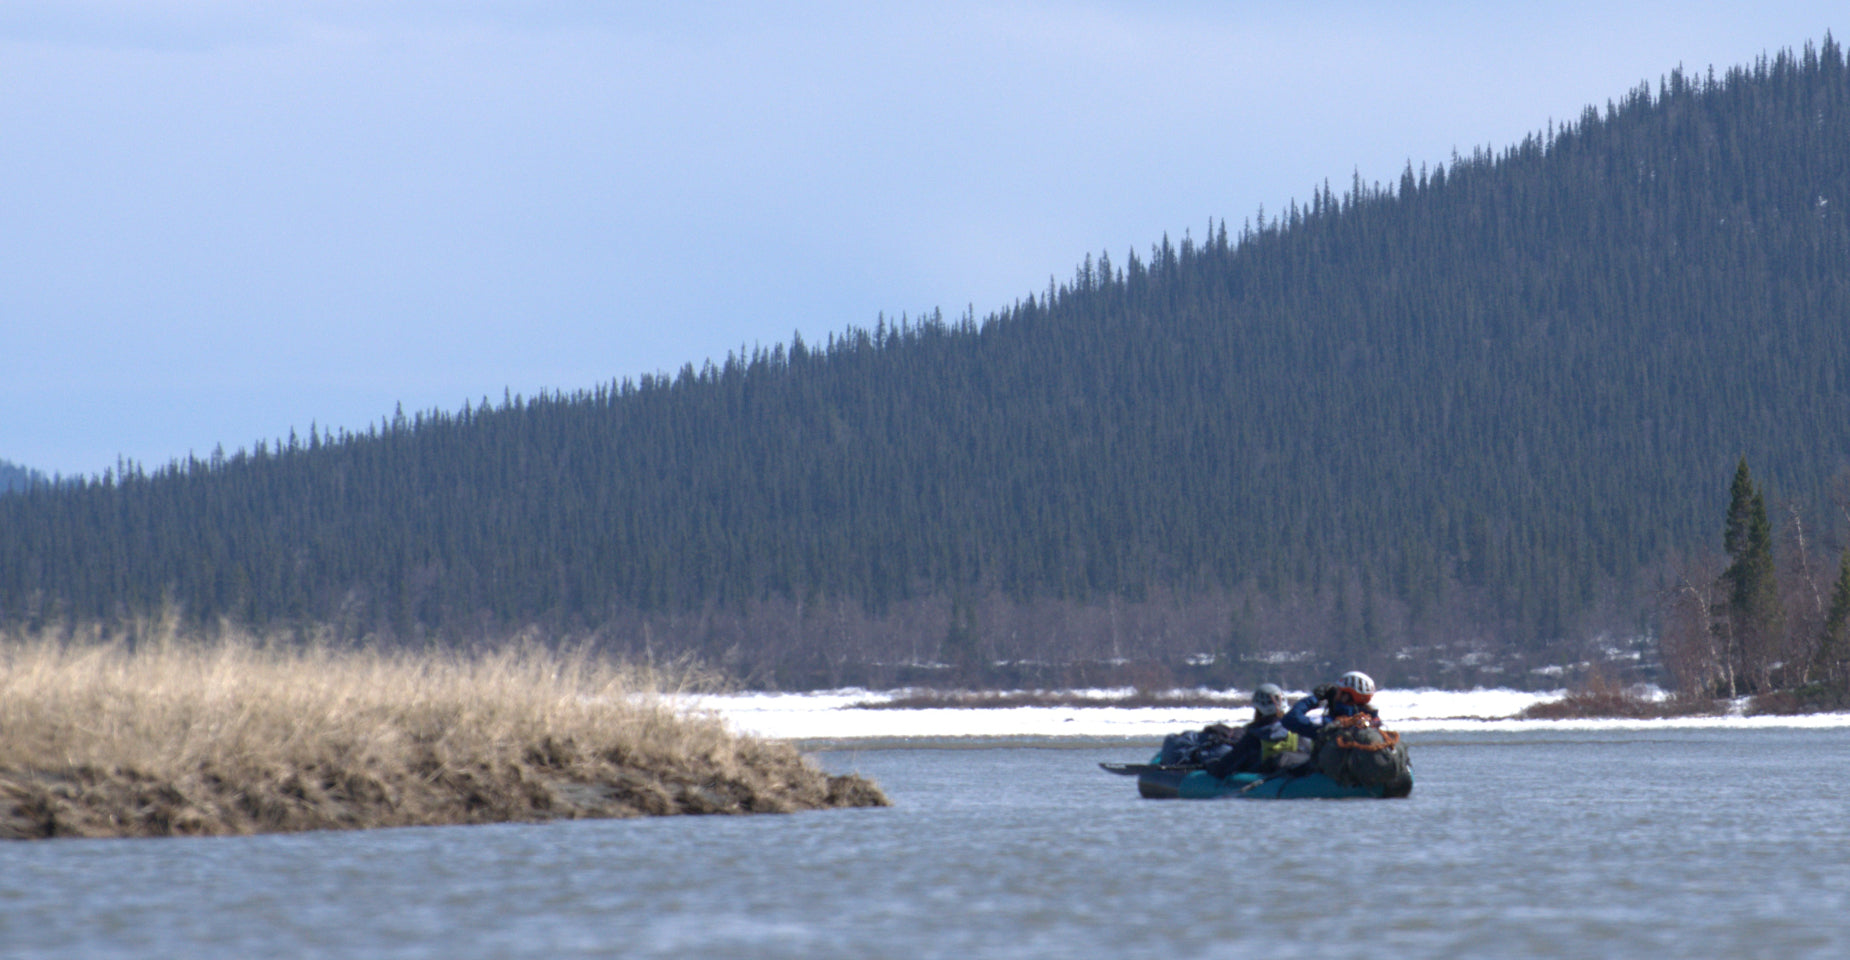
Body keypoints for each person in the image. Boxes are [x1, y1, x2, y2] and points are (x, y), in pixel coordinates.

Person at [1202, 683, 1312, 778]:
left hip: (1264, 781)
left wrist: (1208, 764)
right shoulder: (1299, 732)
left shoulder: (1252, 738)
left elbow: (1222, 769)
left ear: (1258, 708)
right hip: (1295, 777)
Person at [1282, 669, 1380, 739]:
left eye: (1339, 690)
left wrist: (1316, 698)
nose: (1335, 693)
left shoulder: (1332, 723)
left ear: (1347, 696)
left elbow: (1290, 719)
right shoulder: (1372, 721)